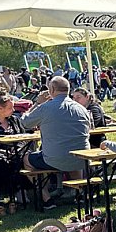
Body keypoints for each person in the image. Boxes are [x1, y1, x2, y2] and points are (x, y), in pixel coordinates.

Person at [20, 76, 90, 208]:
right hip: (81, 158)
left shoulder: (45, 107)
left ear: (51, 89)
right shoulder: (82, 109)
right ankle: (80, 194)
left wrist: (37, 103)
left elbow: (25, 123)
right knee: (73, 157)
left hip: (54, 158)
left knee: (26, 159)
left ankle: (47, 199)